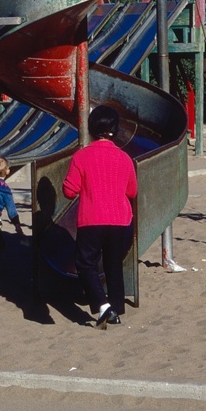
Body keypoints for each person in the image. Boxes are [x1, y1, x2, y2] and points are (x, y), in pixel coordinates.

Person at [62, 104, 137, 328]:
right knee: (114, 263)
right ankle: (116, 307)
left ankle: (103, 306)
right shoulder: (124, 158)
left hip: (91, 218)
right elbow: (132, 191)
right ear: (115, 129)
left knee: (86, 264)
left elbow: (69, 190)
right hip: (121, 219)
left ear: (92, 128)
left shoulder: (81, 156)